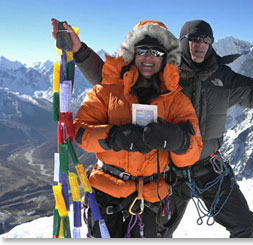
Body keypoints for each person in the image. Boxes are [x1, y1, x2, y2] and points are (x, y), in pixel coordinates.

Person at [51, 19, 253, 238]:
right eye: (194, 39)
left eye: (206, 40)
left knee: (243, 224)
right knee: (159, 233)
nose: (199, 45)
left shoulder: (220, 78)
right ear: (181, 43)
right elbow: (109, 79)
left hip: (204, 165)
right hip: (166, 172)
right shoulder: (164, 72)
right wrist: (80, 51)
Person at [57, 20, 203, 238]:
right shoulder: (107, 90)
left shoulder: (177, 101)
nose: (149, 57)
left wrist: (180, 141)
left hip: (151, 198)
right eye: (142, 49)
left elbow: (193, 151)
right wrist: (113, 137)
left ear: (166, 58)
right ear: (132, 53)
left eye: (157, 51)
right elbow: (80, 132)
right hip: (107, 190)